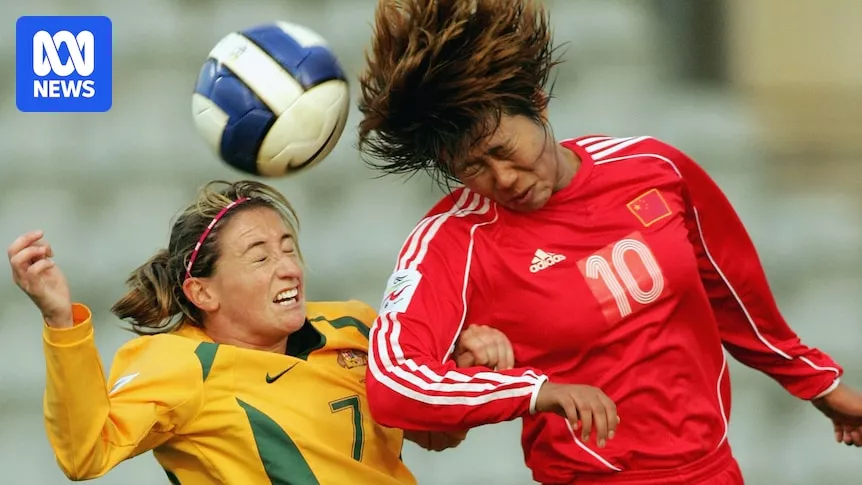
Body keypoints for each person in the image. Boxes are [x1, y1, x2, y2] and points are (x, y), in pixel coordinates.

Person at [355, 0, 862, 484]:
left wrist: (818, 383)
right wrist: (534, 392)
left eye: (502, 150)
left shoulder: (654, 170)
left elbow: (732, 290)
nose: (502, 177)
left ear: (538, 104)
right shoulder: (453, 241)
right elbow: (393, 381)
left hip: (717, 471)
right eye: (472, 168)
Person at [7, 180, 510, 484]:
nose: (288, 267)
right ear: (203, 293)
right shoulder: (178, 365)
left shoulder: (356, 326)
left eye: (288, 247)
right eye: (260, 256)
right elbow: (84, 455)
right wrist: (58, 319)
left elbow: (432, 433)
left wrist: (460, 372)